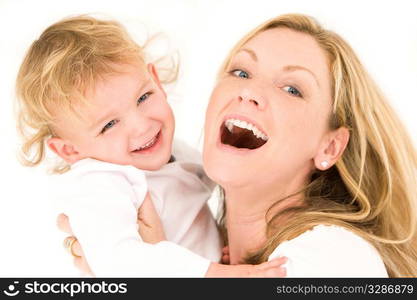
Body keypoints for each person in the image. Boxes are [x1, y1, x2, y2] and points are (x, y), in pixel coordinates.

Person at [58, 13, 417, 277]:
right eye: (241, 72)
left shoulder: (338, 259)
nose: (249, 91)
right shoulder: (196, 249)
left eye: (292, 89)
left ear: (329, 147)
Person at [15, 15, 287, 277]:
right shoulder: (100, 184)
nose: (141, 126)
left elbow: (221, 185)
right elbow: (119, 262)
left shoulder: (176, 152)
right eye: (109, 125)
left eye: (143, 97)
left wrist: (221, 243)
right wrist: (215, 273)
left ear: (155, 80)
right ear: (69, 150)